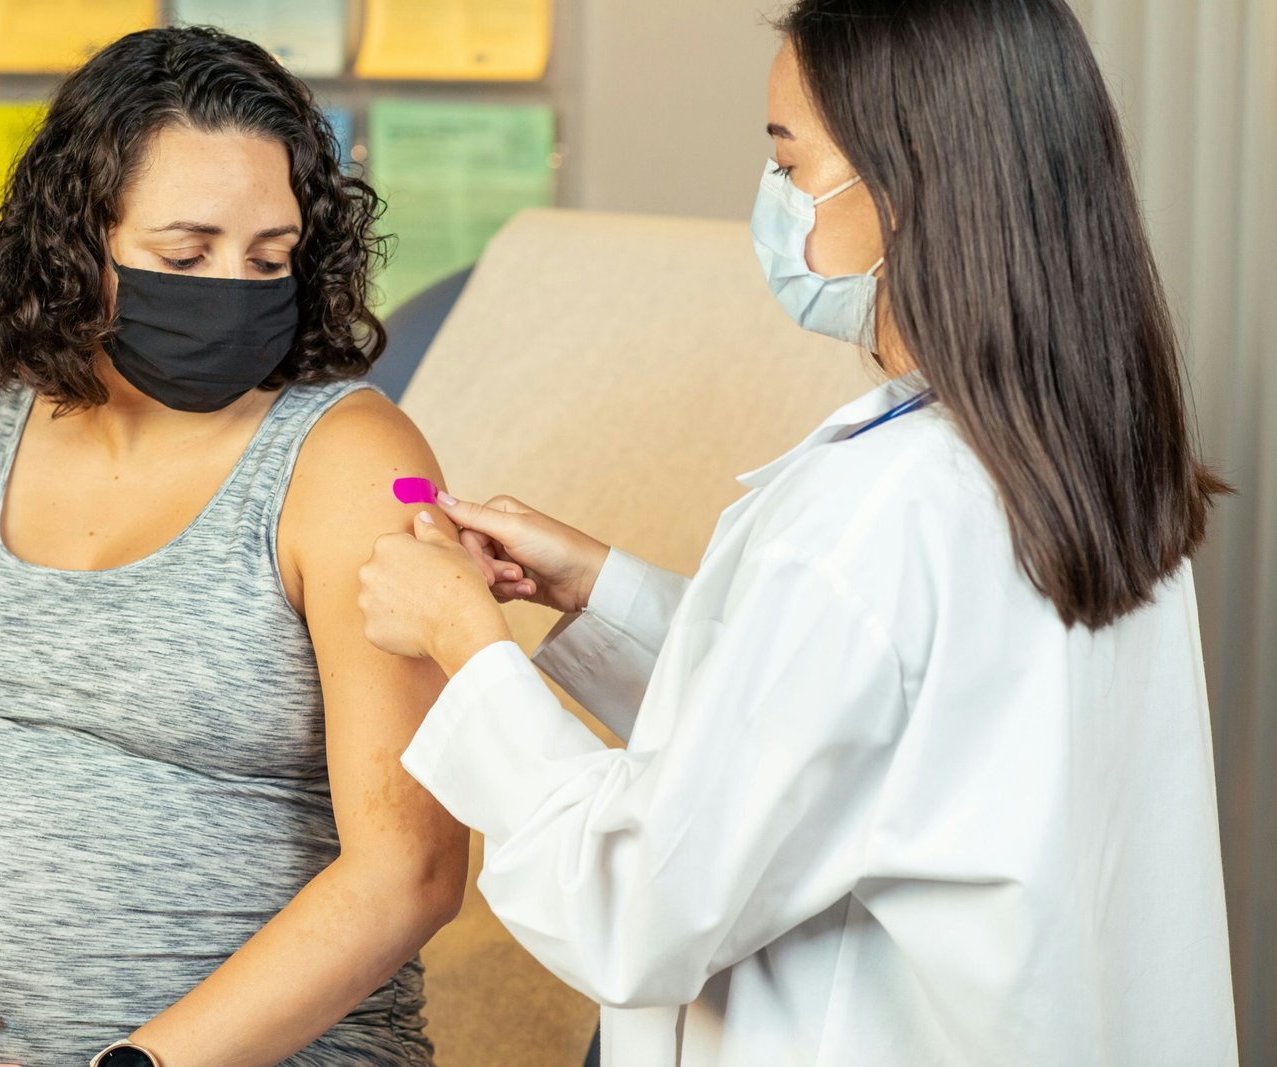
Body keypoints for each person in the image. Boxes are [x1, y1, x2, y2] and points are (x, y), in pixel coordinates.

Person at [356, 0, 1238, 1064]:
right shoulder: (1071, 453)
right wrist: (600, 588)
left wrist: (466, 647)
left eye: (789, 160)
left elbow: (637, 910)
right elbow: (853, 728)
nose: (772, 199)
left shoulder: (878, 510)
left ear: (910, 183)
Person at [0, 26, 468, 1067]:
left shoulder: (350, 458)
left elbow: (412, 868)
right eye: (185, 254)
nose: (235, 289)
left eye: (271, 257)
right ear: (76, 242)